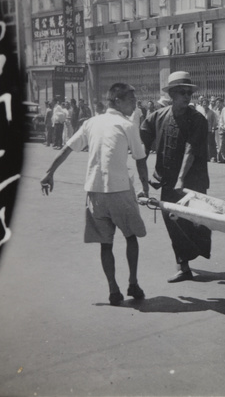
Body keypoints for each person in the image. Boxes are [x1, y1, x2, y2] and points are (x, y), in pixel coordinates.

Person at [40, 83, 149, 306]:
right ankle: (133, 283)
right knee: (131, 237)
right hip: (120, 191)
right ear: (117, 101)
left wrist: (49, 173)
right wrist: (145, 189)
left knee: (105, 244)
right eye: (131, 99)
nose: (135, 104)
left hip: (95, 193)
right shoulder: (127, 125)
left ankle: (113, 290)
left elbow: (68, 148)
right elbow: (140, 159)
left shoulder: (91, 123)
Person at [140, 71, 212, 283]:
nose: (187, 96)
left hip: (192, 181)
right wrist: (144, 167)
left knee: (196, 221)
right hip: (167, 181)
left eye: (189, 92)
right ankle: (183, 266)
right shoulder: (158, 116)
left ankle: (199, 243)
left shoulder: (197, 119)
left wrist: (181, 180)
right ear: (172, 94)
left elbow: (191, 149)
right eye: (182, 92)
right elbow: (142, 138)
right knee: (173, 223)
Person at [197, 96, 219, 162]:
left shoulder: (211, 112)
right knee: (203, 144)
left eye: (206, 103)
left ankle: (213, 157)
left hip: (209, 130)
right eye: (203, 103)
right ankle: (205, 157)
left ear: (208, 104)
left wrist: (213, 128)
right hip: (202, 130)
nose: (204, 105)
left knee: (211, 144)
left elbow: (214, 121)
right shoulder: (200, 111)